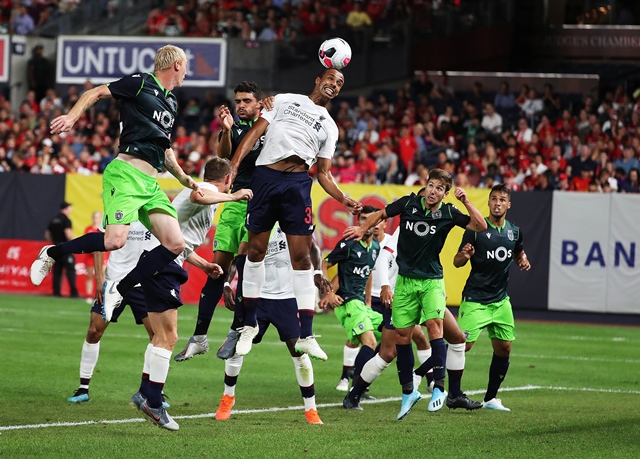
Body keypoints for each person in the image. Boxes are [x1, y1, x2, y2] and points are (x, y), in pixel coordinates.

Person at [30, 45, 202, 325]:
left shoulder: (171, 102)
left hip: (150, 183)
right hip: (126, 174)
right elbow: (94, 92)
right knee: (114, 241)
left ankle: (118, 288)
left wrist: (183, 177)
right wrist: (72, 117)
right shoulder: (141, 82)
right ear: (177, 65)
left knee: (174, 244)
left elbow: (165, 148)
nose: (187, 72)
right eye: (186, 66)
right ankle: (51, 253)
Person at [229, 68, 361, 358]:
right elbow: (255, 132)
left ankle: (306, 334)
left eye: (339, 83)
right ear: (317, 79)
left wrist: (343, 198)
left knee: (301, 257)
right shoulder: (287, 100)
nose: (334, 85)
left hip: (298, 184)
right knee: (255, 251)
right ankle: (249, 325)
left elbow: (324, 173)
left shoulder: (330, 126)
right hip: (266, 178)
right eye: (330, 79)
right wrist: (235, 166)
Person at [344, 168, 487, 420]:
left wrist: (465, 200)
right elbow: (385, 255)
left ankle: (446, 390)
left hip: (431, 284)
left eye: (438, 189)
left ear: (444, 193)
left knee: (452, 337)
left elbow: (479, 224)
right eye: (430, 186)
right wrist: (386, 285)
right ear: (425, 188)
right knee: (389, 351)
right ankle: (356, 392)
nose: (432, 192)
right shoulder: (407, 211)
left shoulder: (446, 213)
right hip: (401, 288)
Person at [129, 157, 252, 431]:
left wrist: (205, 264)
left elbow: (181, 241)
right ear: (229, 179)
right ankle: (153, 403)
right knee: (169, 338)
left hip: (157, 261)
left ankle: (145, 392)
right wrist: (233, 196)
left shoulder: (204, 194)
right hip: (163, 266)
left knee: (160, 337)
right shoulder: (202, 189)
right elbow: (199, 194)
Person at [174, 81, 264, 363]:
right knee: (217, 269)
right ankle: (199, 337)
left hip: (261, 204)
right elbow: (224, 157)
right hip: (235, 202)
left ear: (259, 103)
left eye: (247, 100)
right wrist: (225, 129)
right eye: (238, 101)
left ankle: (236, 330)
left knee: (247, 264)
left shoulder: (270, 126)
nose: (240, 106)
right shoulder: (235, 129)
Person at [214, 223, 324, 425]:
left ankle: (311, 409)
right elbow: (239, 256)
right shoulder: (256, 221)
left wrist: (318, 272)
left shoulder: (293, 222)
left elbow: (313, 247)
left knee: (299, 352)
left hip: (288, 299)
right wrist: (228, 283)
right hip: (257, 298)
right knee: (238, 349)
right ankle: (227, 398)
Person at [453, 183, 531, 412]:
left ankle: (490, 398)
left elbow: (518, 252)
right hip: (476, 299)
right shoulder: (476, 228)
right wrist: (464, 256)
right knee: (462, 346)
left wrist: (523, 260)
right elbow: (457, 262)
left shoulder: (514, 231)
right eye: (494, 199)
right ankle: (435, 382)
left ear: (508, 204)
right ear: (488, 202)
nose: (497, 203)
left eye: (502, 199)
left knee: (504, 348)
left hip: (500, 301)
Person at [321, 206, 383, 390]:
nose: (365, 223)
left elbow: (368, 273)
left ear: (377, 223)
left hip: (361, 304)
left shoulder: (375, 247)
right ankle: (355, 392)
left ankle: (357, 378)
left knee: (392, 334)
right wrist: (329, 293)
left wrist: (369, 302)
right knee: (370, 342)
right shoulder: (348, 243)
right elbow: (324, 264)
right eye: (362, 219)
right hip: (347, 303)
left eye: (369, 219)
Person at [46, 201, 79, 298]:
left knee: (57, 271)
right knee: (70, 270)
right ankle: (73, 293)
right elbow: (68, 235)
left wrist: (55, 242)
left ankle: (56, 292)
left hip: (55, 248)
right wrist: (74, 244)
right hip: (65, 248)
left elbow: (47, 234)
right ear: (67, 208)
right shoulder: (66, 220)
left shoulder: (53, 220)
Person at [82, 211, 104, 304]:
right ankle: (89, 295)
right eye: (94, 217)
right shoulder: (89, 229)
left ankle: (101, 295)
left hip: (102, 255)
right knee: (89, 276)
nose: (96, 219)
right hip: (90, 256)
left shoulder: (102, 229)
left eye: (98, 217)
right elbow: (86, 242)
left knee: (102, 276)